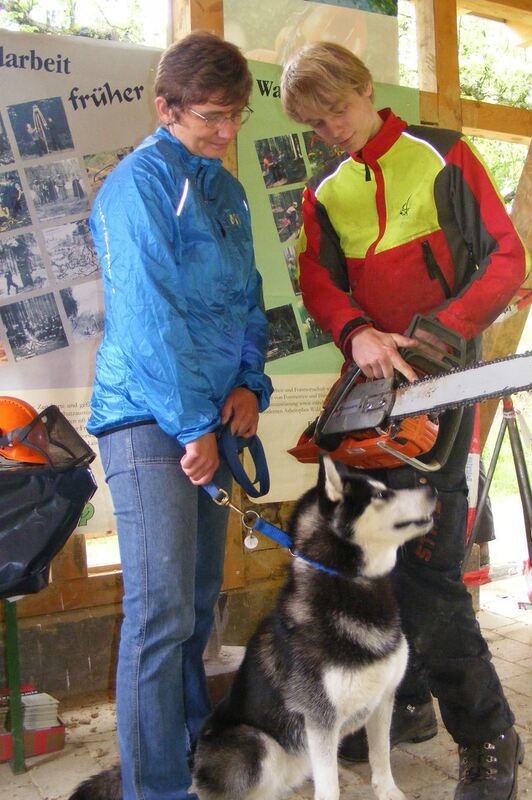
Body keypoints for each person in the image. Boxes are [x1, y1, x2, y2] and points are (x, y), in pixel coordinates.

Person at [281, 42, 528, 800]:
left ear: (365, 89)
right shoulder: (325, 191)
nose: (331, 132)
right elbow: (316, 277)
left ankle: (490, 738)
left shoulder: (442, 154)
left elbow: (506, 260)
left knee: (427, 578)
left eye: (337, 114)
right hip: (367, 393)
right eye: (316, 126)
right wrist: (355, 329)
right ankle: (408, 704)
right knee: (367, 559)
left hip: (441, 389)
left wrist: (437, 335)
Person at [86, 32, 273, 800]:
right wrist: (193, 423)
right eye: (210, 117)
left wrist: (248, 386)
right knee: (159, 612)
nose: (226, 133)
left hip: (209, 416)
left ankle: (196, 750)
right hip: (146, 416)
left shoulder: (225, 192)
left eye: (235, 117)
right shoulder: (137, 186)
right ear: (165, 109)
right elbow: (145, 318)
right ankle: (153, 787)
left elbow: (247, 300)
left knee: (196, 606)